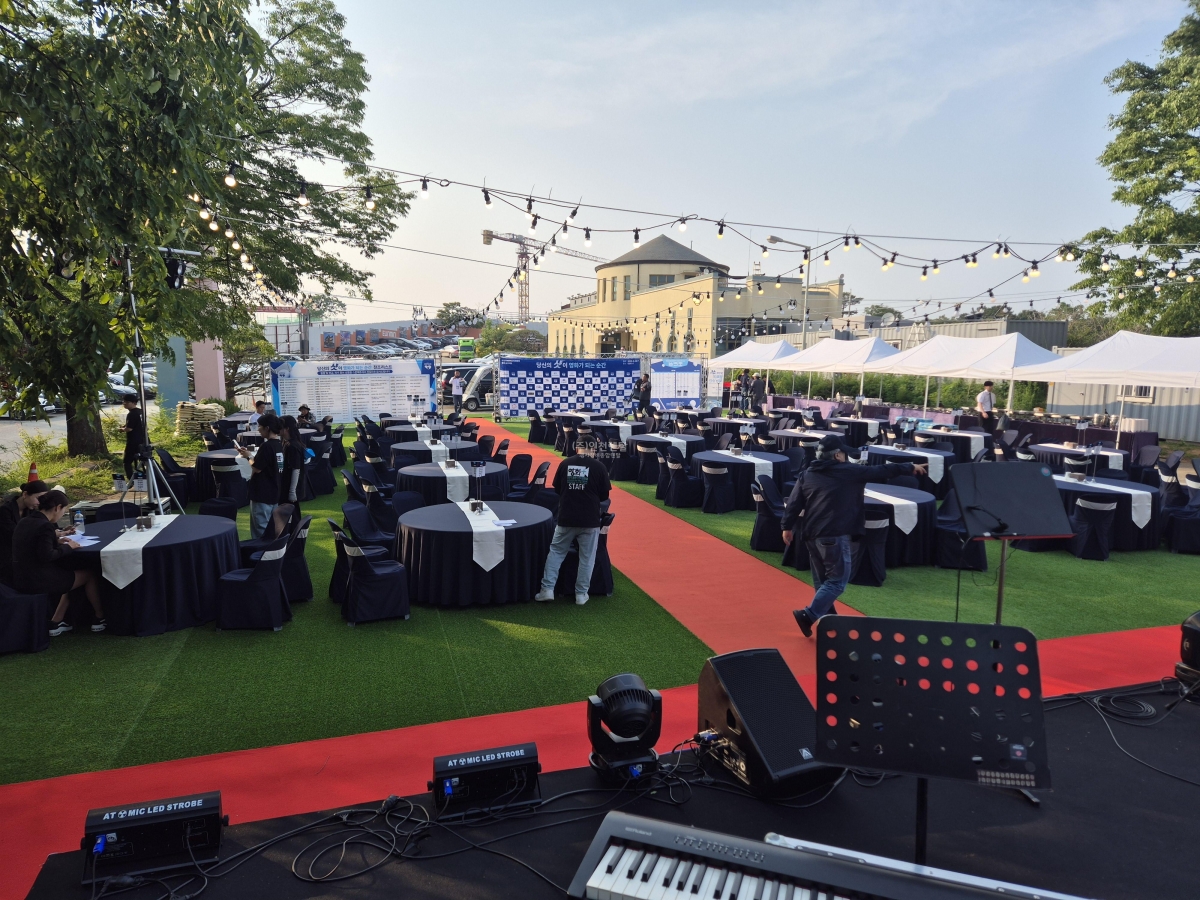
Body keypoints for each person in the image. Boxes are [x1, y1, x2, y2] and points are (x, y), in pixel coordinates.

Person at [782, 435, 926, 637]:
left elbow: (794, 503)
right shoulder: (849, 471)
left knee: (823, 581)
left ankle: (830, 621)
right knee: (837, 581)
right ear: (838, 455)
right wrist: (909, 467)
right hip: (834, 534)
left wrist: (786, 527)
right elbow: (881, 470)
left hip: (811, 534)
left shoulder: (807, 474)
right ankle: (809, 615)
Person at [12, 490, 105, 635]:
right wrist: (69, 547)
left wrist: (57, 541)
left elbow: (33, 545)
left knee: (71, 575)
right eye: (64, 510)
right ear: (57, 507)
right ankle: (100, 617)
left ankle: (57, 620)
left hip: (19, 575)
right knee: (88, 575)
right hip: (38, 578)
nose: (62, 514)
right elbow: (47, 556)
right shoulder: (45, 526)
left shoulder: (25, 521)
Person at [534, 436, 611, 605]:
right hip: (590, 520)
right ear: (593, 449)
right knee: (587, 557)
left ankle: (547, 589)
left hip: (566, 518)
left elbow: (558, 489)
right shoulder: (599, 467)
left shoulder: (565, 464)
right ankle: (581, 594)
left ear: (577, 448)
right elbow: (604, 495)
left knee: (556, 553)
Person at [239, 413, 283, 538]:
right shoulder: (279, 444)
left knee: (261, 530)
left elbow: (256, 468)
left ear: (267, 428)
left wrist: (248, 456)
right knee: (272, 528)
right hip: (274, 491)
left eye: (260, 426)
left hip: (262, 493)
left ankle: (263, 550)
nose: (258, 429)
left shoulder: (266, 446)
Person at [0, 480, 48, 587]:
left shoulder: (30, 510)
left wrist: (59, 531)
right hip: (7, 559)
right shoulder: (5, 511)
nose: (39, 503)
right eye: (38, 498)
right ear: (25, 494)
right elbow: (17, 535)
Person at [278, 415, 307, 510]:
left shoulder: (292, 446)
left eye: (279, 426)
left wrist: (292, 491)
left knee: (291, 512)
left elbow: (296, 469)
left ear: (287, 428)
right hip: (287, 483)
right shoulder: (288, 442)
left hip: (290, 485)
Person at [120, 395, 145, 480]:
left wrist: (122, 429)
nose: (124, 403)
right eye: (124, 402)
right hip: (143, 440)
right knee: (144, 461)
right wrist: (125, 426)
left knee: (127, 462)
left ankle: (131, 481)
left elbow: (129, 429)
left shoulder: (131, 414)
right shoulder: (140, 412)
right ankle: (146, 478)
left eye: (127, 402)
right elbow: (137, 424)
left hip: (133, 442)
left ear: (134, 403)